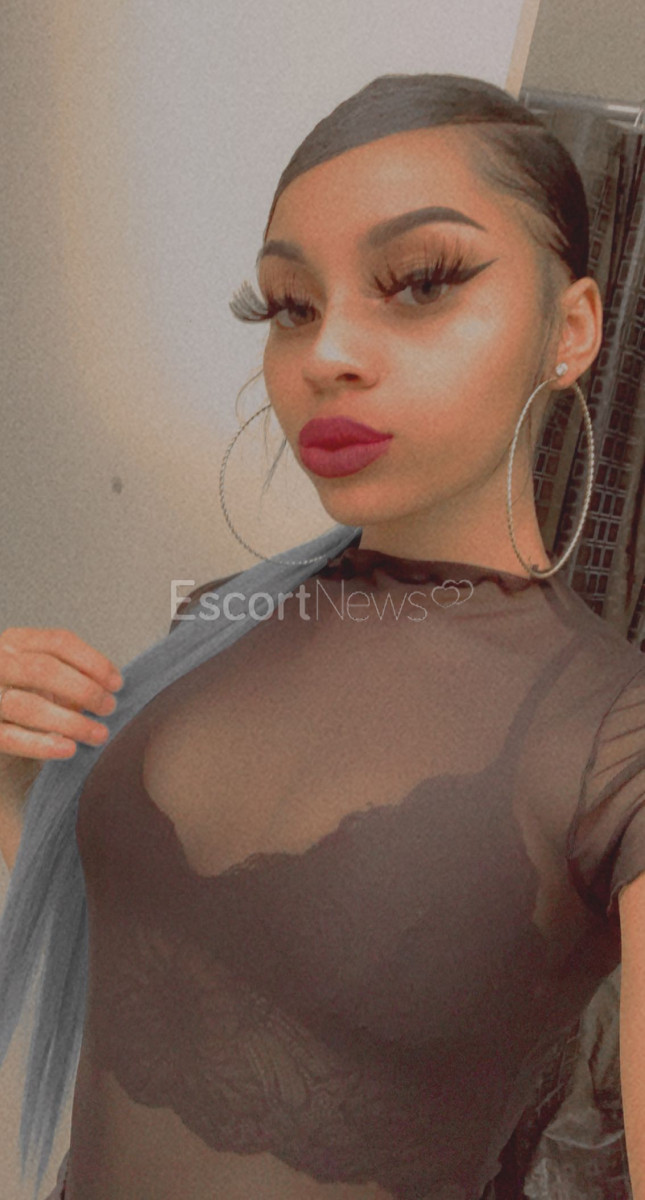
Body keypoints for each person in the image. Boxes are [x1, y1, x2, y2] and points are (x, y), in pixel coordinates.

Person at [0, 72, 644, 1200]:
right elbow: (144, 971)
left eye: (422, 282)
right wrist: (20, 782)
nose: (325, 353)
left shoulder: (610, 741)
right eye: (290, 306)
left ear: (573, 328)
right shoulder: (215, 622)